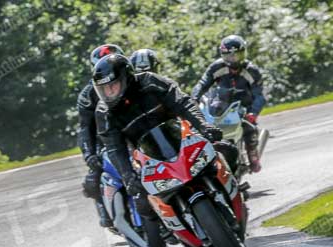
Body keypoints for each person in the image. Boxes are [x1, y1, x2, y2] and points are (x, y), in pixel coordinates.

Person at [92, 54, 226, 220]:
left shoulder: (150, 82)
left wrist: (203, 126)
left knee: (227, 150)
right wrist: (128, 177)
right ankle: (165, 231)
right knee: (142, 205)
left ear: (126, 77)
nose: (109, 93)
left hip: (181, 139)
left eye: (113, 86)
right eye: (104, 89)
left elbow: (182, 102)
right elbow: (114, 147)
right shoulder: (104, 113)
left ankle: (235, 196)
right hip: (148, 158)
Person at [191, 35, 266, 173]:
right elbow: (202, 84)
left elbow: (259, 96)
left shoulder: (252, 71)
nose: (233, 59)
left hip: (243, 106)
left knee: (249, 129)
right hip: (221, 104)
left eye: (237, 55)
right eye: (230, 56)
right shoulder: (216, 67)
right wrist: (194, 98)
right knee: (204, 128)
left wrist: (253, 113)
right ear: (223, 55)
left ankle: (253, 156)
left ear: (244, 53)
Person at [77, 43, 125, 228]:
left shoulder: (138, 80)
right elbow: (85, 127)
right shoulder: (88, 95)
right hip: (104, 139)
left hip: (134, 132)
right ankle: (106, 212)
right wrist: (90, 155)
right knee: (93, 176)